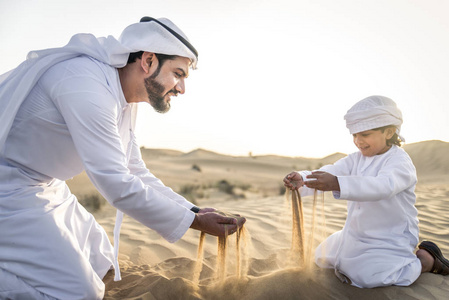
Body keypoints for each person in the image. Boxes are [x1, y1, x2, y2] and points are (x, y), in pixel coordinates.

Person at [0, 16, 245, 299]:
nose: (181, 88)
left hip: (46, 187)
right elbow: (117, 183)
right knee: (80, 293)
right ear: (149, 61)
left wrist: (194, 211)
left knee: (102, 261)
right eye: (178, 74)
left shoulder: (123, 97)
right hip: (8, 190)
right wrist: (197, 224)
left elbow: (133, 169)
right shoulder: (84, 83)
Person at [283, 95, 449, 288]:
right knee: (322, 257)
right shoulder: (356, 159)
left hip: (389, 237)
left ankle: (425, 261)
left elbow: (382, 187)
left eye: (365, 134)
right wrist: (303, 179)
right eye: (354, 135)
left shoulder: (400, 162)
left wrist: (337, 184)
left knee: (367, 276)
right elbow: (333, 171)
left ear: (389, 132)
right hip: (355, 233)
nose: (358, 141)